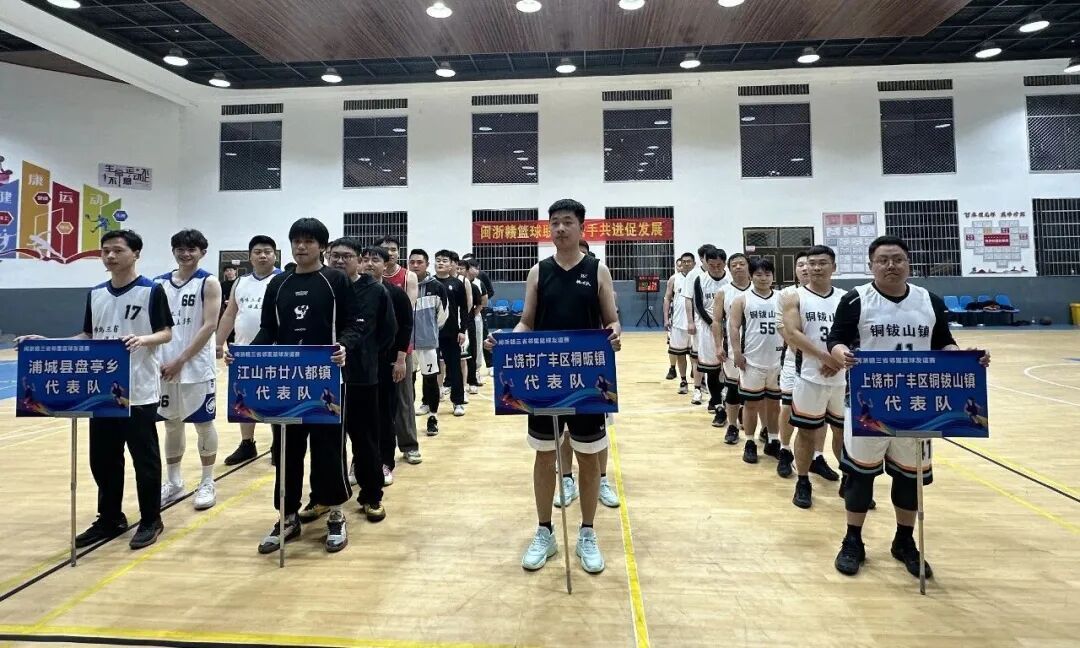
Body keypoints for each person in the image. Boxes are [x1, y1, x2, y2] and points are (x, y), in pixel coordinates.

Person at [829, 235, 990, 578]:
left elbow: (944, 342)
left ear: (908, 263)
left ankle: (904, 541)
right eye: (883, 260)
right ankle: (853, 539)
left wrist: (965, 358)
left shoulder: (929, 300)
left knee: (909, 477)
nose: (891, 265)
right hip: (868, 403)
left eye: (898, 259)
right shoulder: (856, 299)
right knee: (860, 476)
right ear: (871, 265)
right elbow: (836, 339)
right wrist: (842, 354)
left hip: (918, 404)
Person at [487, 198, 621, 575]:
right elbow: (527, 322)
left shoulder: (597, 270)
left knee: (588, 457)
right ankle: (545, 531)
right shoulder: (538, 271)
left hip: (585, 379)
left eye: (567, 222)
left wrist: (614, 334)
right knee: (545, 456)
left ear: (581, 227)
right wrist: (507, 341)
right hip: (544, 379)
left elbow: (611, 320)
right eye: (555, 223)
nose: (560, 228)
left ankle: (587, 532)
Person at [15, 230, 173, 550]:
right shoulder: (97, 293)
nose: (110, 256)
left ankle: (151, 519)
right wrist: (48, 344)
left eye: (117, 250)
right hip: (101, 391)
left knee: (144, 459)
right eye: (105, 251)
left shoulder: (151, 290)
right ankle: (110, 518)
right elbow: (88, 336)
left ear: (135, 254)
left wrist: (143, 340)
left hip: (138, 389)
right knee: (103, 459)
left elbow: (166, 333)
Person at [249, 218, 359, 555]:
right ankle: (287, 517)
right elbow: (268, 330)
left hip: (326, 381)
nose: (301, 246)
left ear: (322, 247)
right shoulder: (279, 283)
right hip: (287, 382)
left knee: (329, 450)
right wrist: (245, 355)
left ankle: (336, 513)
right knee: (286, 451)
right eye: (296, 240)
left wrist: (344, 346)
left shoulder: (335, 280)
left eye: (309, 241)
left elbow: (353, 324)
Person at [323, 238, 396, 523]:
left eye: (347, 256)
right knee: (326, 442)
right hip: (324, 378)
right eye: (335, 256)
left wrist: (366, 355)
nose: (340, 261)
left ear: (359, 260)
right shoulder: (322, 285)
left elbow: (387, 332)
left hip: (362, 376)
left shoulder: (375, 290)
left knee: (365, 439)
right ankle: (323, 496)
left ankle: (371, 495)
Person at [156, 229, 222, 511]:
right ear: (173, 251)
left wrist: (181, 359)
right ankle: (173, 482)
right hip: (164, 367)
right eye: (180, 249)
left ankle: (207, 481)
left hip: (196, 368)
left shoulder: (209, 282)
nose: (185, 254)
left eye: (191, 249)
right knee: (171, 424)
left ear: (202, 252)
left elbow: (210, 325)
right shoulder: (158, 284)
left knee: (203, 423)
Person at [781, 245, 845, 510]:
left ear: (834, 267)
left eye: (822, 263)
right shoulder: (794, 297)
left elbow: (855, 334)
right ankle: (803, 480)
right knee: (806, 432)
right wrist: (824, 357)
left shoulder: (846, 298)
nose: (816, 267)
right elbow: (793, 334)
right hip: (809, 376)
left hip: (842, 378)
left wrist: (838, 362)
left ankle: (850, 479)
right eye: (812, 263)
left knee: (843, 432)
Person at [215, 236, 281, 465]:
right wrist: (218, 343)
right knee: (244, 399)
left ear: (274, 256)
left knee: (275, 397)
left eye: (267, 251)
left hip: (274, 351)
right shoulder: (240, 282)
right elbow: (230, 314)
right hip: (243, 351)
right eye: (258, 251)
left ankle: (278, 444)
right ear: (250, 256)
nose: (263, 255)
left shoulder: (283, 279)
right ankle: (247, 444)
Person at [364, 246, 414, 483]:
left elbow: (406, 327)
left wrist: (400, 360)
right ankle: (360, 461)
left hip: (387, 362)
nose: (369, 264)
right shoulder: (352, 292)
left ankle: (385, 462)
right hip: (360, 364)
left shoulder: (395, 294)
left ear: (385, 265)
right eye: (365, 259)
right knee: (361, 417)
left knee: (384, 413)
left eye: (375, 260)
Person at [728, 257, 783, 464]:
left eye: (767, 274)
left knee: (774, 404)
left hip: (777, 361)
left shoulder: (782, 298)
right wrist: (736, 352)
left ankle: (773, 440)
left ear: (773, 276)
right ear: (751, 276)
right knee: (751, 404)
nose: (763, 278)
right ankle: (749, 442)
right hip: (751, 360)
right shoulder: (742, 299)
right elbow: (734, 327)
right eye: (758, 274)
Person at [373, 236, 422, 466]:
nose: (390, 253)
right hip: (374, 350)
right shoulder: (366, 278)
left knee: (404, 398)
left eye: (393, 249)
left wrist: (401, 353)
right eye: (385, 250)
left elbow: (406, 314)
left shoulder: (407, 276)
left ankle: (409, 445)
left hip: (401, 346)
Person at [776, 251, 809, 478]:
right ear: (795, 270)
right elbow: (782, 327)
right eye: (801, 265)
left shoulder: (837, 296)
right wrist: (800, 349)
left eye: (809, 264)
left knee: (818, 415)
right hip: (793, 360)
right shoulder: (787, 295)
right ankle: (785, 449)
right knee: (787, 407)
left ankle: (817, 456)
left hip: (822, 364)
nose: (806, 268)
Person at [410, 249, 449, 435]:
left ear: (427, 265)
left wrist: (429, 330)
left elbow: (442, 316)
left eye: (419, 262)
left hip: (428, 343)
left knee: (431, 380)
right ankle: (407, 418)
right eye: (412, 262)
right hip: (406, 345)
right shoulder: (403, 284)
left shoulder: (437, 287)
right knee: (407, 382)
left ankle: (432, 417)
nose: (415, 265)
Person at [687, 248, 729, 417]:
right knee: (712, 367)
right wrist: (712, 323)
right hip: (707, 327)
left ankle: (725, 398)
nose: (716, 268)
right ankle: (715, 401)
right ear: (706, 263)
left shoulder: (730, 280)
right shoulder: (700, 279)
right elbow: (698, 305)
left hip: (729, 328)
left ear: (724, 263)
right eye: (712, 265)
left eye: (719, 265)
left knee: (728, 367)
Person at [715, 253, 750, 436]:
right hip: (732, 347)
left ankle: (764, 429)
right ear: (729, 269)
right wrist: (718, 346)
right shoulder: (723, 291)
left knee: (758, 391)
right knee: (733, 387)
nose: (738, 267)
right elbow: (716, 321)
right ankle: (732, 425)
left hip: (756, 347)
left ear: (748, 266)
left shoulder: (759, 289)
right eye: (734, 264)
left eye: (741, 264)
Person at [433, 249, 469, 418]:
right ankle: (428, 402)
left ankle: (458, 402)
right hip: (431, 334)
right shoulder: (430, 283)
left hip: (452, 333)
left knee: (454, 368)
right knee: (430, 370)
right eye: (438, 260)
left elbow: (464, 309)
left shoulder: (457, 284)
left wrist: (462, 331)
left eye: (444, 260)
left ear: (451, 265)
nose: (441, 263)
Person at [683, 244, 717, 403]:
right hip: (700, 324)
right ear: (702, 259)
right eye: (708, 259)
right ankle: (697, 389)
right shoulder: (694, 275)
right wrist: (690, 322)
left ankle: (718, 390)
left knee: (719, 357)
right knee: (697, 357)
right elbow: (688, 299)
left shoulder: (722, 274)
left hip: (720, 326)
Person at [664, 253, 694, 391]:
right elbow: (667, 298)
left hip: (695, 324)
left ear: (694, 263)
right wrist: (666, 318)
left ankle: (700, 383)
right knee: (680, 354)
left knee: (696, 355)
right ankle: (683, 380)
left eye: (689, 261)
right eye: (684, 261)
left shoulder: (699, 277)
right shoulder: (674, 279)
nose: (686, 264)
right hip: (678, 323)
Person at [462, 252, 496, 373]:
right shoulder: (460, 278)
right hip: (464, 315)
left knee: (483, 337)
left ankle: (490, 364)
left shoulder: (481, 277)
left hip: (479, 311)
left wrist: (479, 302)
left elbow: (490, 292)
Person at [459, 258, 486, 393]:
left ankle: (472, 380)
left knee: (472, 351)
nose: (459, 271)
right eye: (457, 268)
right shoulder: (452, 284)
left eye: (462, 269)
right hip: (455, 324)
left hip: (470, 323)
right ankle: (451, 382)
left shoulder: (474, 286)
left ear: (467, 270)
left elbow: (480, 304)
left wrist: (471, 315)